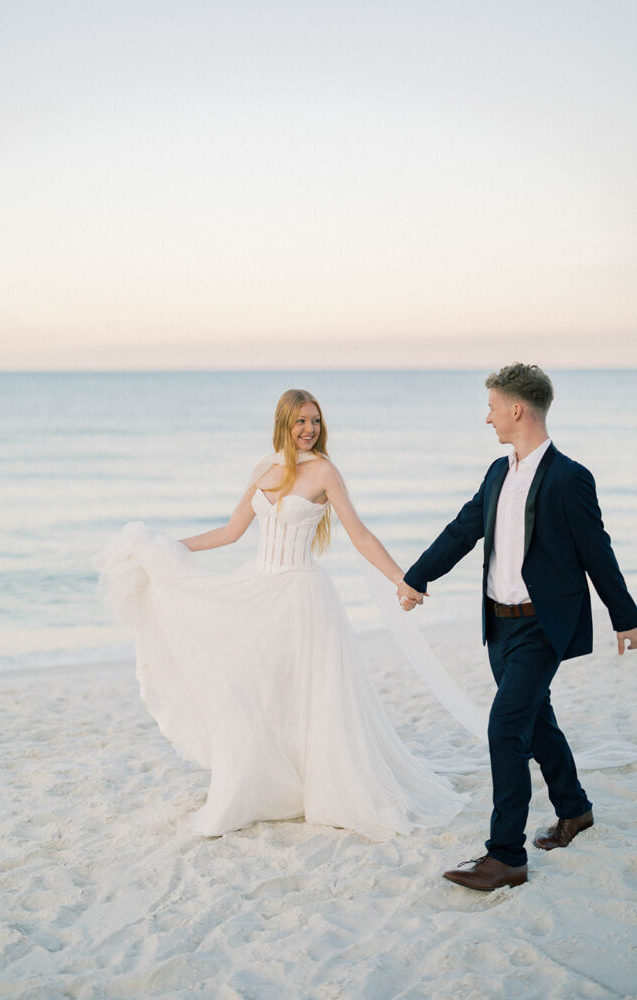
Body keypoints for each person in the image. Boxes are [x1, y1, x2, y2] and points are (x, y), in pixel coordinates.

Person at [95, 388, 466, 840]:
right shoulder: (262, 470)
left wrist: (401, 579)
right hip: (257, 588)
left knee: (308, 694)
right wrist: (168, 550)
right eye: (300, 422)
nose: (309, 429)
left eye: (315, 421)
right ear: (283, 424)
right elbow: (232, 532)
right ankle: (265, 783)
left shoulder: (326, 472)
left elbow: (360, 535)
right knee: (253, 688)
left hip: (301, 595)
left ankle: (315, 785)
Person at [397, 363, 637, 891]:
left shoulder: (570, 477)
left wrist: (626, 616)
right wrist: (417, 576)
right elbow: (463, 529)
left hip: (541, 627)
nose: (487, 418)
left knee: (506, 728)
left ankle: (505, 856)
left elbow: (597, 551)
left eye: (491, 407)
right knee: (536, 720)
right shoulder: (496, 472)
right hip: (498, 627)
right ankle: (575, 809)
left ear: (516, 409)